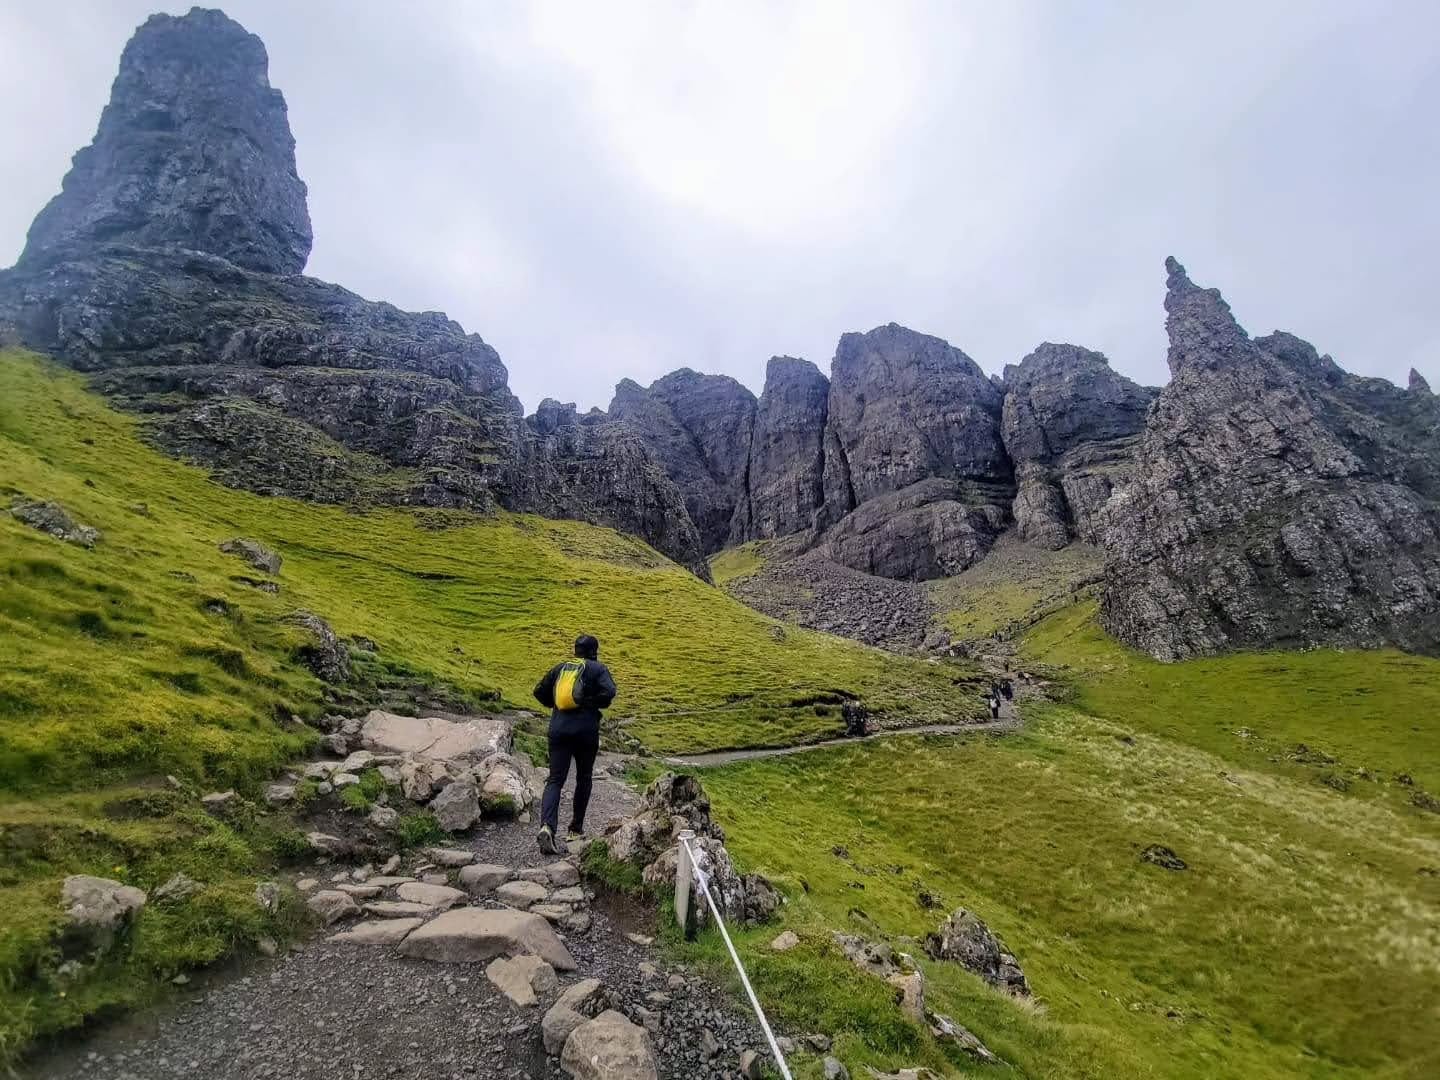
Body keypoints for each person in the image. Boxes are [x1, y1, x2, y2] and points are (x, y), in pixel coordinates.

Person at [532, 633, 617, 856]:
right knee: (584, 778)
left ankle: (547, 826)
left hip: (558, 728)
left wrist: (558, 705)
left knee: (555, 780)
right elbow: (609, 692)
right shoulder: (597, 669)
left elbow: (538, 692)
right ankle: (575, 830)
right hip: (586, 731)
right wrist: (589, 703)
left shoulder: (561, 668)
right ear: (594, 651)